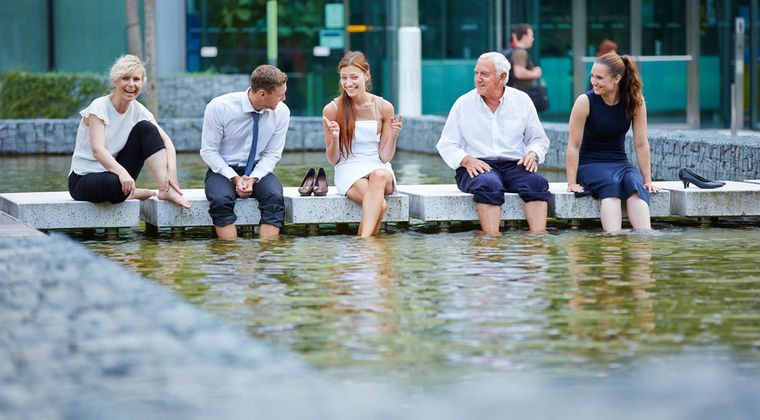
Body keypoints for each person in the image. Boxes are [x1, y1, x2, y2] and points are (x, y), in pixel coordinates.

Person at [436, 52, 551, 235]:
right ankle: (491, 242)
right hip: (477, 166)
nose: (478, 79)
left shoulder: (522, 101)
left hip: (514, 165)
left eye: (484, 74)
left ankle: (537, 242)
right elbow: (446, 144)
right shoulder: (463, 104)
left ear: (502, 77)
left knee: (537, 183)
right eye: (476, 73)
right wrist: (466, 160)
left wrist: (533, 154)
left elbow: (538, 139)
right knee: (489, 184)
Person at [68, 54, 190, 209]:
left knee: (146, 129)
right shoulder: (99, 107)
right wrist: (123, 174)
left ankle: (165, 190)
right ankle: (132, 192)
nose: (131, 84)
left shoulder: (138, 110)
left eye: (136, 79)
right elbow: (98, 150)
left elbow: (167, 142)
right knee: (115, 184)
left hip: (116, 174)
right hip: (83, 178)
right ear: (115, 81)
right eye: (125, 78)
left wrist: (171, 177)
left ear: (142, 82)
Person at [566, 52, 660, 232]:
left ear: (617, 78)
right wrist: (571, 182)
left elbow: (641, 144)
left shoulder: (635, 102)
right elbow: (573, 145)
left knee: (634, 184)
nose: (594, 81)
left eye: (599, 78)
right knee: (611, 185)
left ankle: (644, 241)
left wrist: (647, 180)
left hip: (620, 162)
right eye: (592, 76)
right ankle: (612, 243)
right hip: (590, 164)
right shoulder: (584, 101)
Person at [200, 65, 289, 240]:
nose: (283, 98)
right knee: (220, 200)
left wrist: (254, 178)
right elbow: (209, 151)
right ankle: (232, 256)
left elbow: (272, 154)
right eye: (279, 95)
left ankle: (267, 254)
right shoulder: (219, 107)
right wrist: (234, 178)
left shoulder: (282, 112)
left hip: (258, 168)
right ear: (262, 94)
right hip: (222, 170)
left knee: (275, 197)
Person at [322, 51, 402, 238]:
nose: (348, 83)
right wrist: (335, 138)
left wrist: (394, 136)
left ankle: (362, 244)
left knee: (380, 174)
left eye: (354, 77)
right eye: (344, 78)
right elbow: (333, 159)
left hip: (378, 167)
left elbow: (384, 157)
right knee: (379, 204)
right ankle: (366, 248)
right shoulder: (332, 109)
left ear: (366, 76)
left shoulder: (384, 107)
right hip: (349, 169)